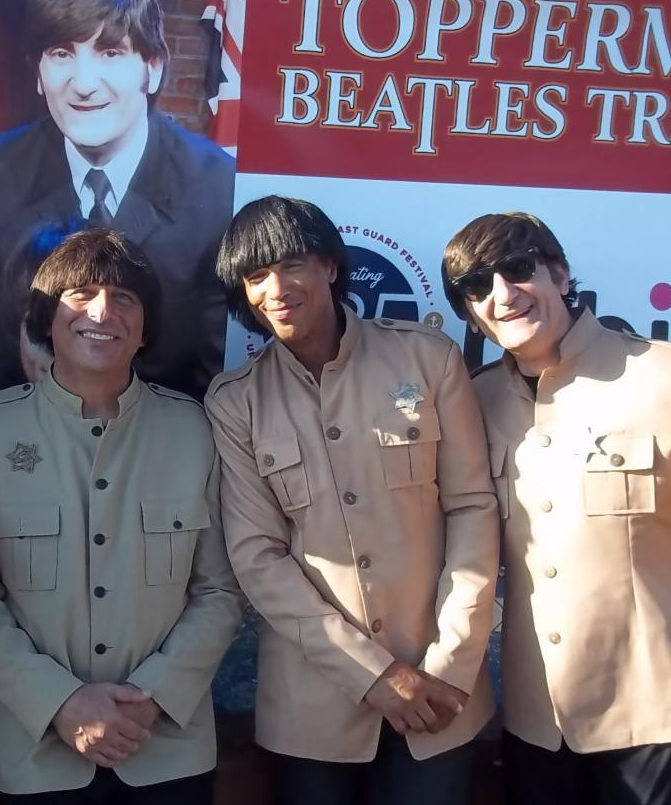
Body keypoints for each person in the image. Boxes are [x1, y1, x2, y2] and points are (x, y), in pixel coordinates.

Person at [440, 212, 671, 805]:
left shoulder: (666, 376)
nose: (501, 295)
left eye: (517, 268)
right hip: (541, 714)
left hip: (653, 708)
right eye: (477, 288)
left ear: (558, 273)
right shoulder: (474, 400)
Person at [204, 197, 500, 804]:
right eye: (255, 277)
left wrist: (450, 664)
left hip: (444, 692)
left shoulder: (428, 359)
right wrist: (373, 674)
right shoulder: (235, 402)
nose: (276, 289)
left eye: (291, 265)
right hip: (312, 710)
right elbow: (258, 556)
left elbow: (472, 508)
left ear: (330, 267)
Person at [0, 228, 243, 803]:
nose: (102, 311)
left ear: (146, 327)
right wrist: (60, 702)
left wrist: (151, 697)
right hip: (29, 752)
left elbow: (220, 591)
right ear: (45, 319)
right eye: (79, 294)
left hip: (168, 749)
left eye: (124, 298)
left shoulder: (196, 432)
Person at [0, 0, 235, 403]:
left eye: (110, 53)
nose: (83, 85)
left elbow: (215, 376)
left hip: (166, 447)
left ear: (152, 68)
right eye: (62, 53)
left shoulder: (217, 186)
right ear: (38, 72)